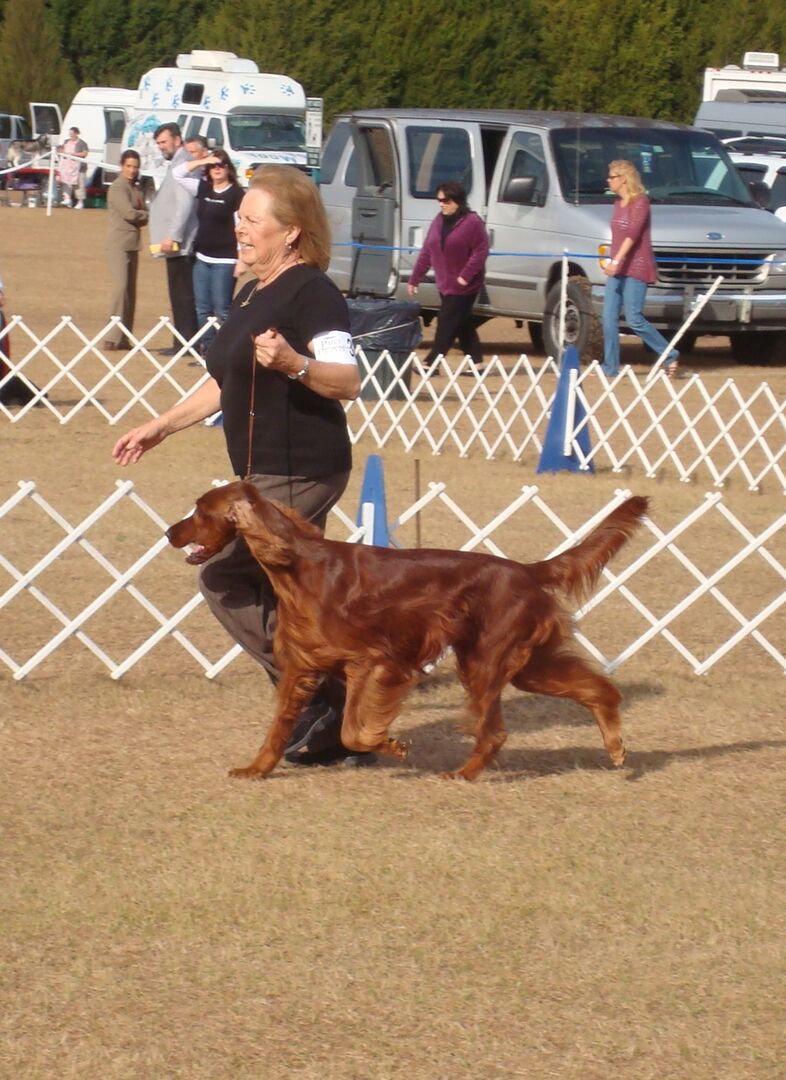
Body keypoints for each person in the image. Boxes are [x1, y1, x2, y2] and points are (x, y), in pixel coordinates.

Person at [112, 163, 368, 766]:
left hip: (302, 468)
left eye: (253, 219)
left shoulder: (315, 293)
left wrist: (293, 365)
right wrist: (161, 426)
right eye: (239, 217)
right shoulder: (251, 289)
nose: (239, 226)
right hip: (259, 472)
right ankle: (339, 712)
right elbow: (222, 381)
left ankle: (320, 698)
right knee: (287, 595)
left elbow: (349, 381)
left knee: (223, 573)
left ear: (292, 232)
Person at [602, 159, 679, 378]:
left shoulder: (641, 202)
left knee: (634, 319)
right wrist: (611, 261)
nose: (608, 181)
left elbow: (633, 235)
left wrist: (616, 261)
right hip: (617, 268)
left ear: (623, 179)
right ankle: (610, 367)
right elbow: (617, 236)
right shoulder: (617, 204)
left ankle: (669, 354)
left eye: (612, 177)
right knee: (608, 318)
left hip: (636, 266)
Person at [407, 180, 489, 375]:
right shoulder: (438, 221)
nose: (441, 204)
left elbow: (481, 251)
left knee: (447, 320)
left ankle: (431, 362)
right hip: (445, 283)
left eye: (446, 200)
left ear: (458, 200)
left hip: (465, 285)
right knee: (462, 322)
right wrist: (414, 278)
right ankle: (477, 364)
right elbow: (428, 250)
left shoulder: (472, 222)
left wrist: (465, 276)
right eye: (439, 200)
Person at [172, 148, 244, 355]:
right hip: (202, 258)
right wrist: (203, 161)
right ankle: (208, 350)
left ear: (229, 168)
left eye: (221, 165)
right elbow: (178, 174)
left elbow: (241, 228)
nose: (217, 169)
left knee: (222, 309)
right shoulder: (203, 188)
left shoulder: (237, 195)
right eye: (213, 166)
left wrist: (241, 260)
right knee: (202, 309)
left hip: (226, 260)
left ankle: (225, 351)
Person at [148, 122, 199, 356]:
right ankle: (182, 341)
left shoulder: (182, 163)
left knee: (182, 295)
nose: (161, 147)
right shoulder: (179, 161)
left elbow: (185, 204)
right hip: (176, 243)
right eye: (158, 143)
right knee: (178, 294)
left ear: (177, 140)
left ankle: (185, 343)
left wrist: (173, 235)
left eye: (164, 142)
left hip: (180, 244)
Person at [104, 150, 148, 352]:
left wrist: (143, 214)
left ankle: (125, 336)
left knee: (131, 292)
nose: (132, 170)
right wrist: (147, 214)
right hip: (118, 244)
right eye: (129, 166)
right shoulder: (117, 188)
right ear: (122, 166)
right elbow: (130, 213)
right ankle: (112, 337)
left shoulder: (135, 188)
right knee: (120, 288)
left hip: (132, 243)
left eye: (135, 166)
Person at [59, 127, 88, 209]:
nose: (70, 135)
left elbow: (85, 153)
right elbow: (61, 150)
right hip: (67, 167)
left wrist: (73, 154)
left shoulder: (82, 143)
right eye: (70, 133)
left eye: (72, 133)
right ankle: (67, 199)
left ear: (76, 133)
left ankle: (80, 202)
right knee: (65, 182)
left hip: (79, 168)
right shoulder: (66, 142)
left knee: (79, 185)